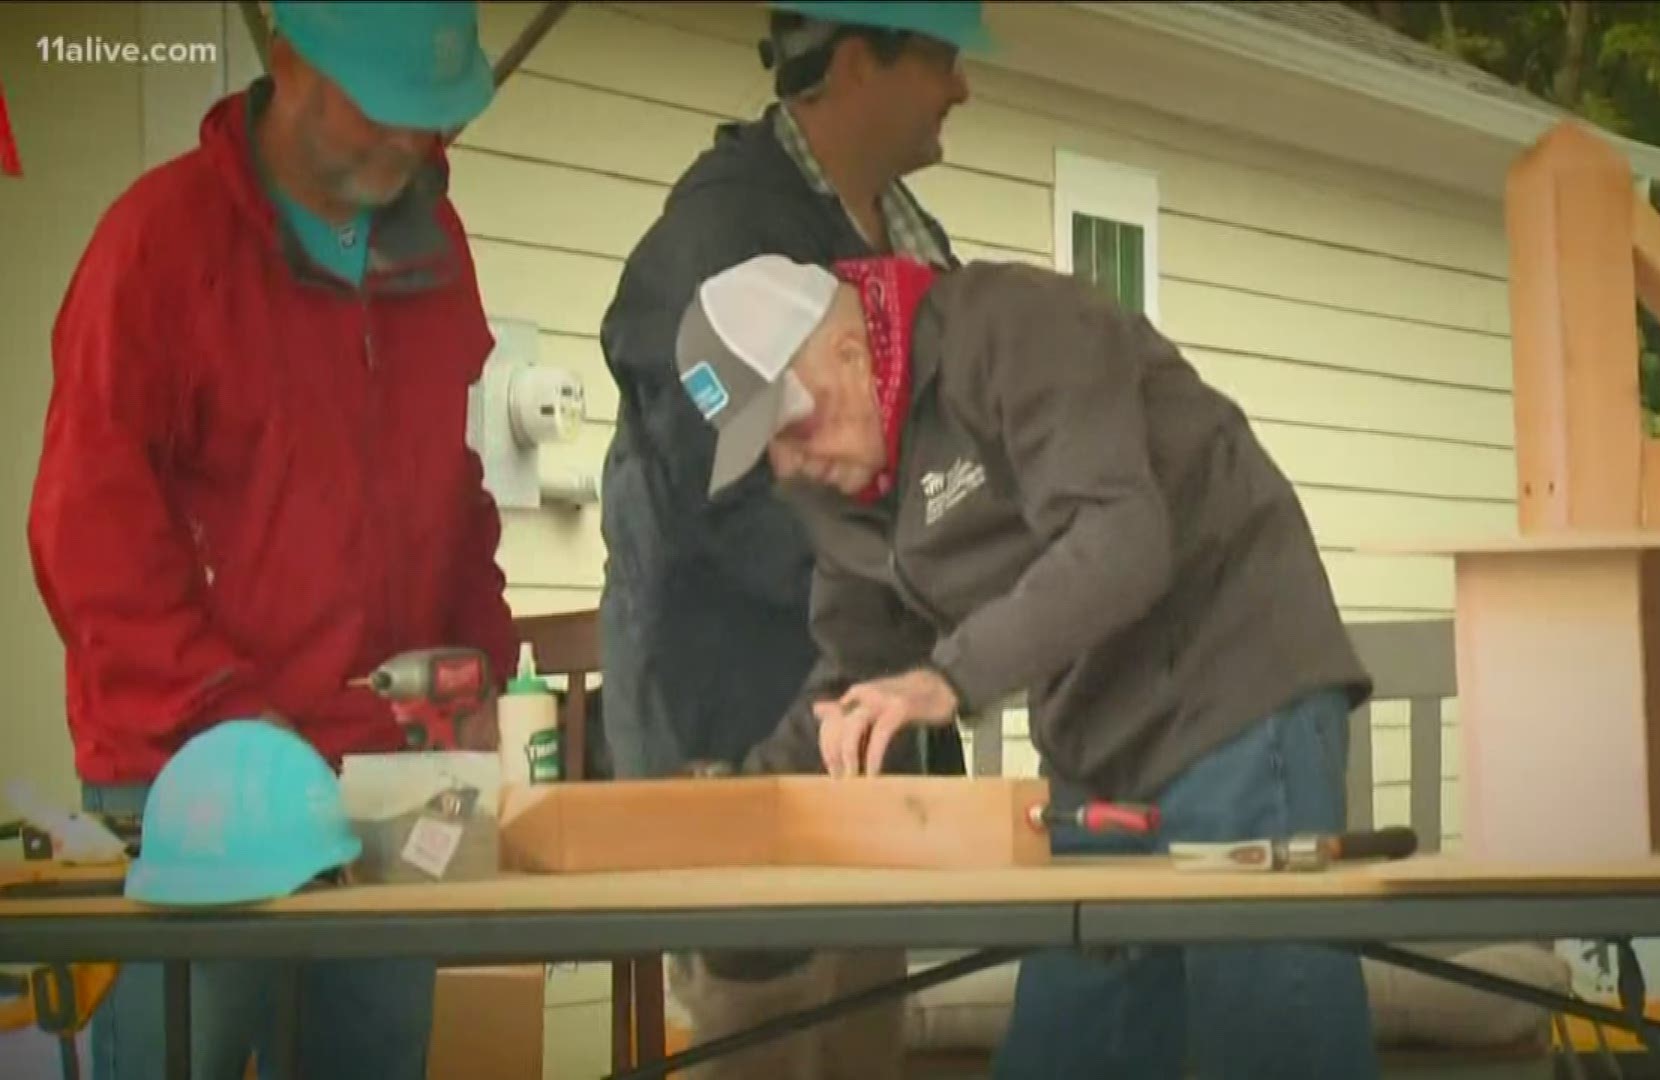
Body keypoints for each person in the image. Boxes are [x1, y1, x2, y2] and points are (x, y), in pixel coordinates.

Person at [672, 252, 1383, 1078]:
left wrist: (949, 676)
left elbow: (1119, 540)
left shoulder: (1017, 327)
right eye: (766, 451)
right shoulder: (841, 493)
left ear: (848, 347)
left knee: (1271, 1039)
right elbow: (854, 682)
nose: (791, 466)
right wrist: (741, 807)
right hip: (1096, 753)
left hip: (1238, 687)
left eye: (792, 425)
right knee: (1065, 1049)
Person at [25, 2, 516, 1076]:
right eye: (382, 108)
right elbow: (90, 529)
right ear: (286, 58)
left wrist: (482, 649)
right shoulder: (157, 243)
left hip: (382, 780)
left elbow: (454, 477)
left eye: (433, 117)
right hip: (192, 780)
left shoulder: (439, 247)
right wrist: (231, 725)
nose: (412, 143)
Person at [595, 4, 984, 1074]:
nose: (964, 88)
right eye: (945, 58)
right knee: (760, 1050)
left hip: (858, 762)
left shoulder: (907, 242)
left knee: (860, 1045)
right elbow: (714, 486)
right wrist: (904, 575)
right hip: (738, 741)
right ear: (857, 59)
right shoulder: (718, 240)